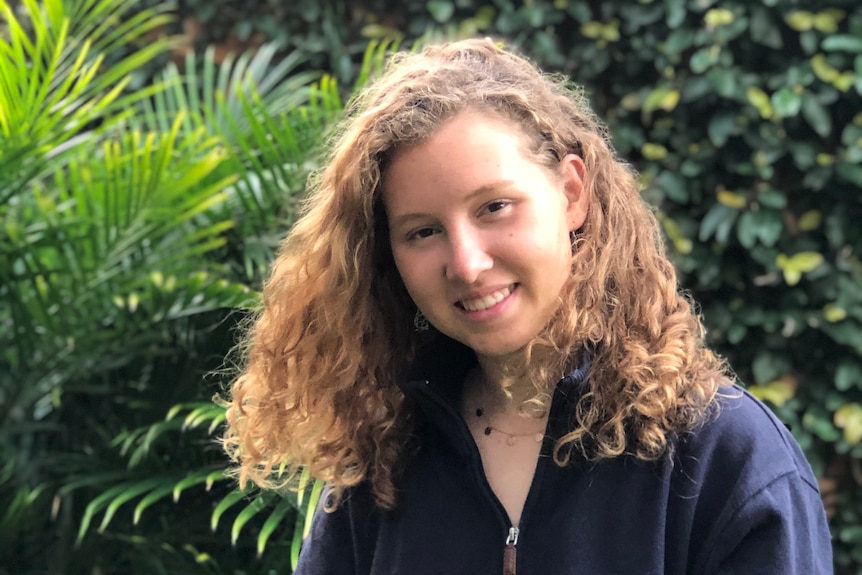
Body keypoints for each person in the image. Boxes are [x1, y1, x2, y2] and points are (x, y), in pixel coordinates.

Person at [223, 38, 832, 574]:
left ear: (572, 193)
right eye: (422, 231)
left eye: (494, 208)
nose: (466, 263)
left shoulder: (726, 460)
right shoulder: (380, 471)